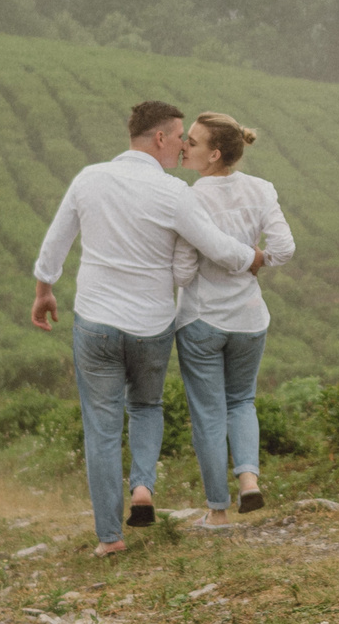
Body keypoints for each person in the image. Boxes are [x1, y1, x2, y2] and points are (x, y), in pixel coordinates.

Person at [31, 100, 266, 557]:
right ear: (160, 137)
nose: (183, 147)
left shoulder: (89, 178)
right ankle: (143, 488)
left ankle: (110, 538)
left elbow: (55, 243)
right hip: (152, 327)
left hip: (96, 322)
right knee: (145, 406)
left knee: (100, 427)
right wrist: (253, 258)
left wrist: (45, 290)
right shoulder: (174, 193)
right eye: (180, 137)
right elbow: (216, 247)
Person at [171, 112, 293, 525]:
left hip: (202, 319)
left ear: (214, 154)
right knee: (242, 402)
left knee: (208, 412)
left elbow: (184, 273)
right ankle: (249, 482)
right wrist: (256, 261)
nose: (184, 145)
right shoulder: (260, 189)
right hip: (250, 319)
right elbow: (284, 248)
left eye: (193, 141)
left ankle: (217, 512)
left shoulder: (190, 199)